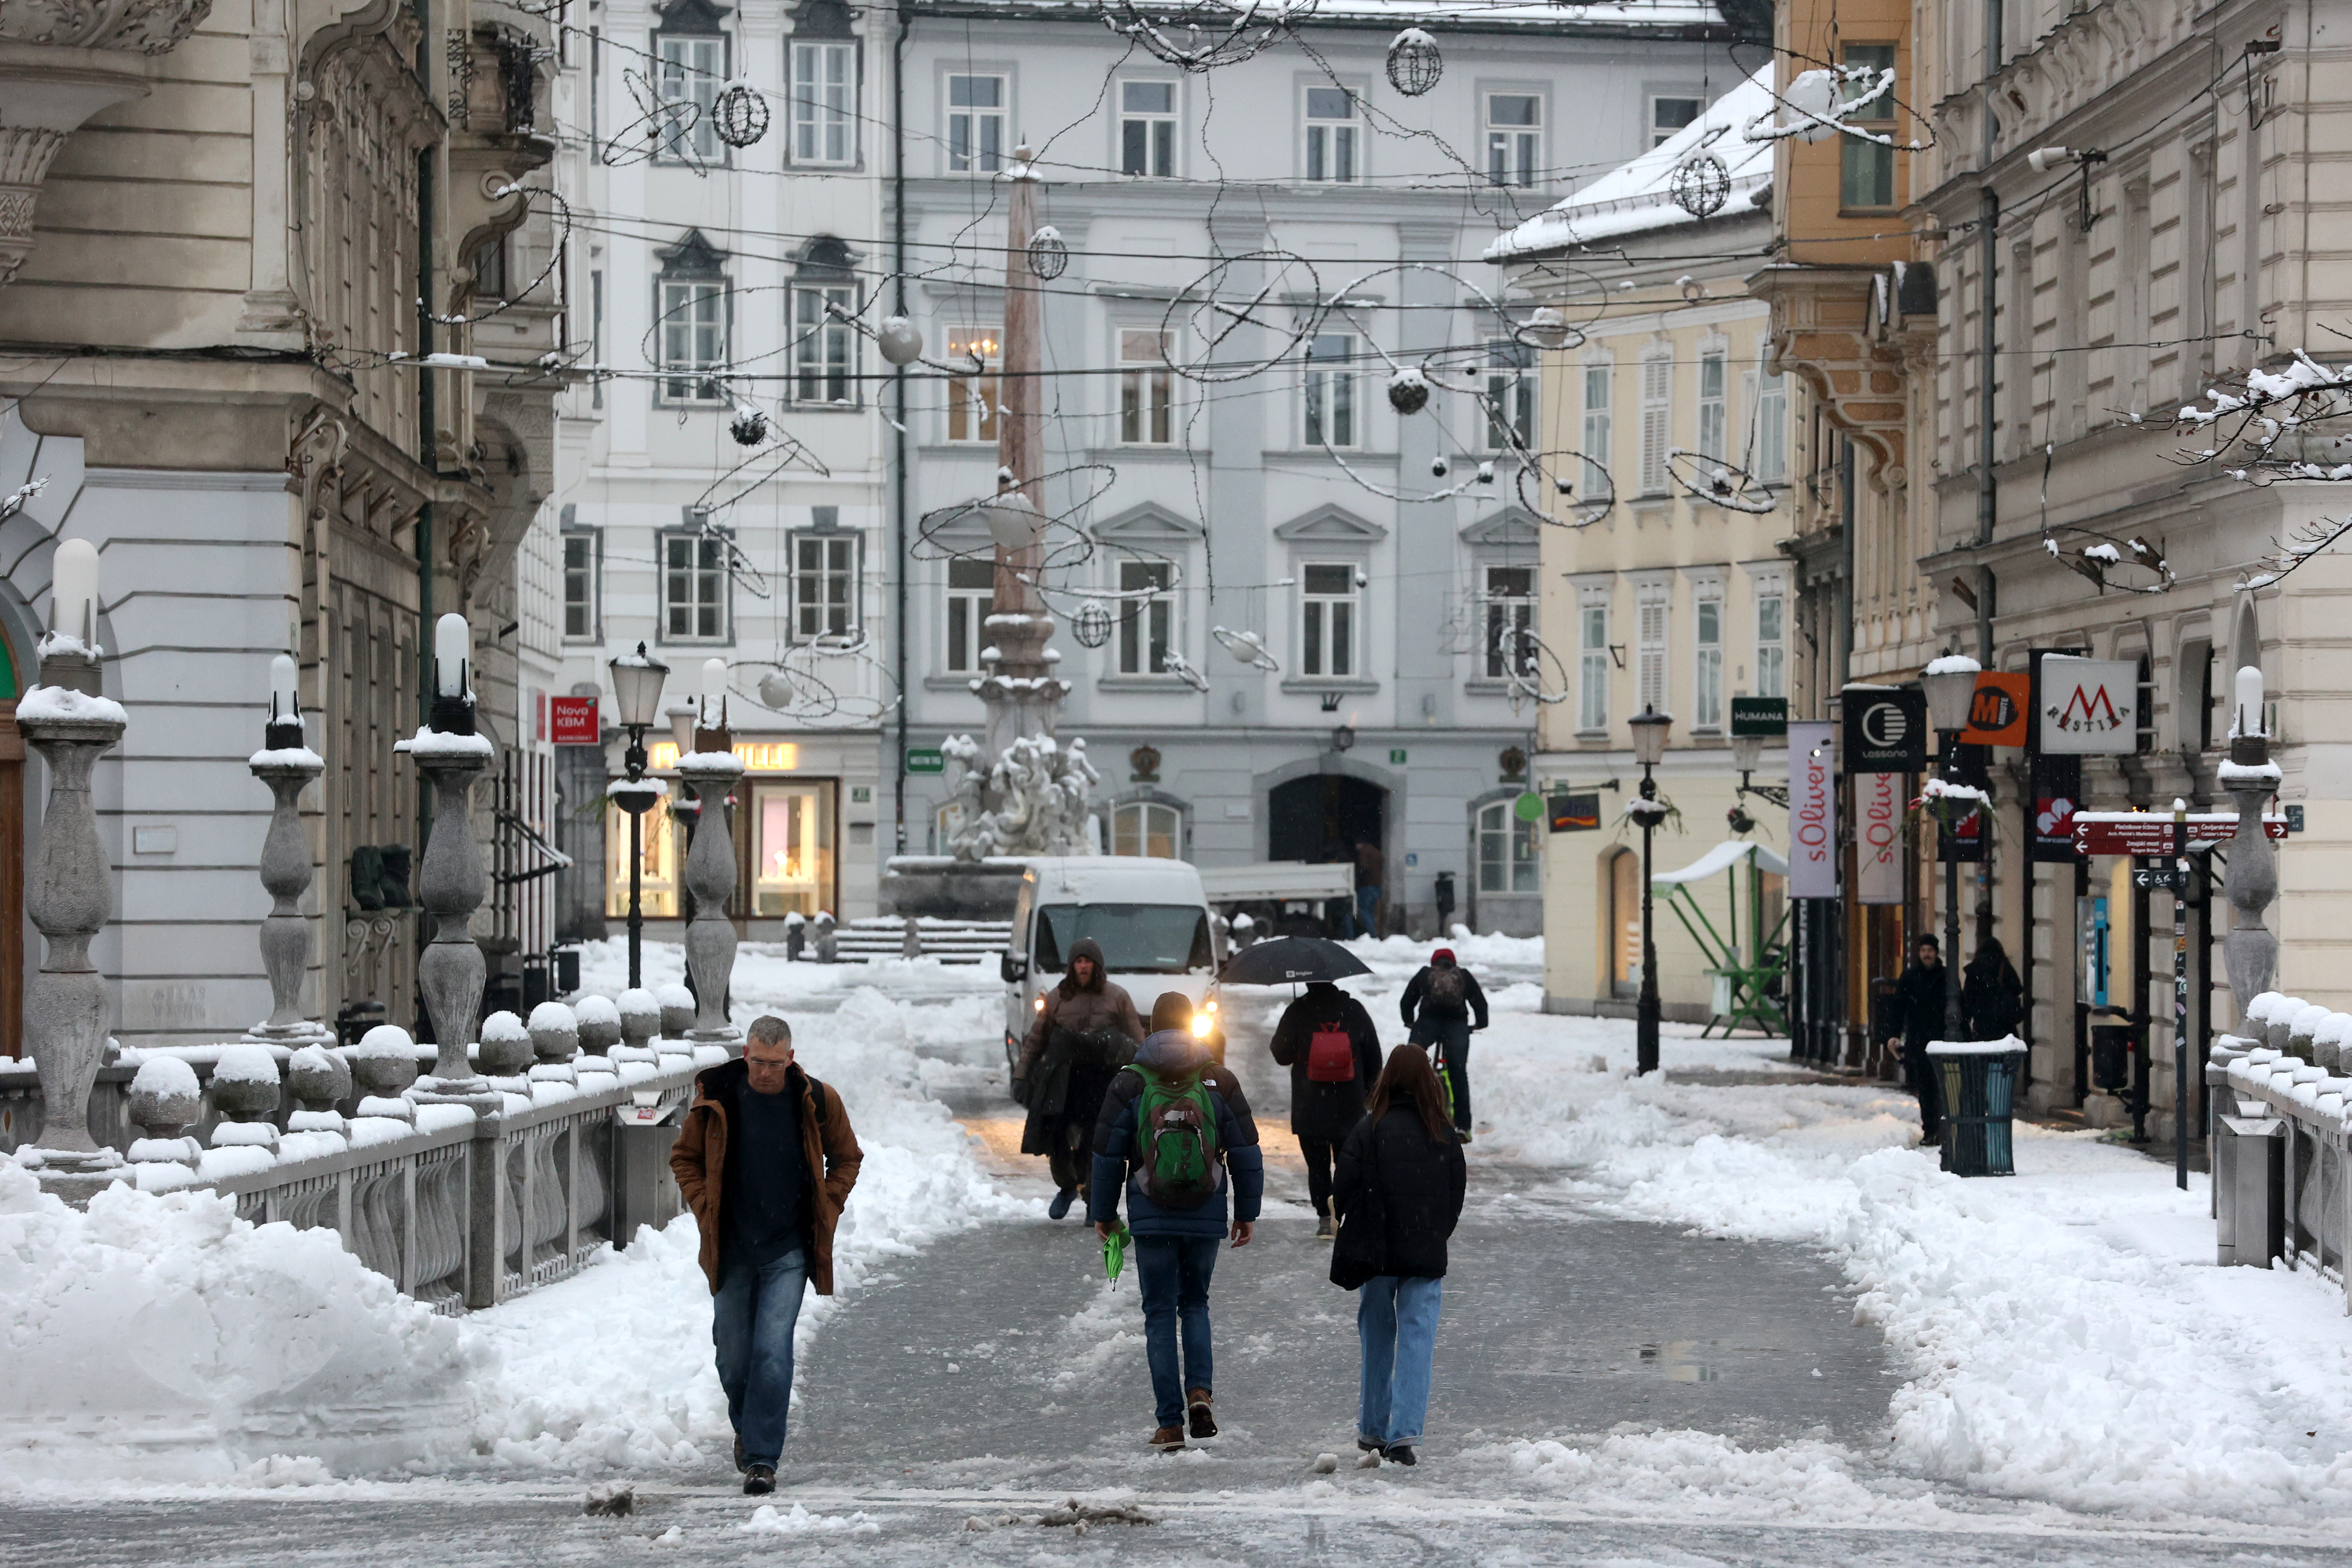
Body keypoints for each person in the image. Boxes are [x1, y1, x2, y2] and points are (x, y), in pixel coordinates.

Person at [671, 1014, 863, 1495]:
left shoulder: (817, 1100)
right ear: (745, 1055)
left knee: (772, 1352)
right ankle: (748, 1429)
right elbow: (684, 1158)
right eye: (758, 1062)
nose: (765, 1073)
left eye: (775, 1064)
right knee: (733, 1358)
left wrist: (828, 1204)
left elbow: (848, 1157)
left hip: (788, 1249)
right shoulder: (719, 1098)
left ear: (791, 1059)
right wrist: (704, 1204)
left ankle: (762, 1458)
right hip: (732, 1248)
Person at [1090, 991, 1264, 1452]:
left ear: (1151, 1029)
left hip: (1151, 1215)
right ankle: (1200, 1393)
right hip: (1205, 1213)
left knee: (1160, 1313)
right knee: (1196, 1304)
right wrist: (1247, 1211)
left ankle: (1169, 1423)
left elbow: (1107, 1155)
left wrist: (1104, 1214)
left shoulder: (1129, 1082)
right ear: (1191, 1025)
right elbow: (1246, 1151)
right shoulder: (1217, 1079)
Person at [1329, 1041, 1466, 1468]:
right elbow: (1455, 1196)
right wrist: (1432, 1233)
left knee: (1377, 1335)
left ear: (1386, 1079)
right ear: (1429, 1083)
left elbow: (1343, 1188)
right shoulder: (1443, 1134)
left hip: (1376, 1250)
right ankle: (1403, 1435)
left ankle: (1372, 1427)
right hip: (1424, 1251)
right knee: (1417, 1339)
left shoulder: (1369, 1129)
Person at [1016, 936, 1145, 1219]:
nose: (1083, 966)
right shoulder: (1057, 998)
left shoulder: (1117, 997)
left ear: (1097, 966)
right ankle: (1067, 1186)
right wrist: (1022, 1075)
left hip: (1101, 1079)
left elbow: (1138, 1041)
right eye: (1078, 961)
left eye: (1088, 961)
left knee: (1096, 1139)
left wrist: (1141, 1069)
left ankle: (1092, 1200)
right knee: (1055, 1134)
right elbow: (1037, 1041)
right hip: (1063, 1080)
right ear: (1072, 966)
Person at [1267, 979, 1383, 1238]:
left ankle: (1323, 1217)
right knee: (1348, 1164)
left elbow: (1280, 1053)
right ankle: (1344, 1214)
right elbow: (1375, 1056)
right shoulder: (1354, 1010)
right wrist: (1366, 1094)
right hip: (1349, 1106)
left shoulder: (1298, 1011)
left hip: (1311, 1106)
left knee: (1317, 1166)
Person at [1399, 947, 1489, 1141]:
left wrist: (1409, 1020)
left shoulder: (1425, 974)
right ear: (1453, 963)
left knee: (1411, 1063)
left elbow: (1407, 1000)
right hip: (1456, 1025)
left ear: (1434, 963)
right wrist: (1480, 1024)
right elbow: (1480, 1003)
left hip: (1428, 1024)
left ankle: (1406, 1115)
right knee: (1458, 1072)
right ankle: (1463, 1127)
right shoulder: (1463, 976)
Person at [1892, 935, 1948, 1143]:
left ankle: (1941, 1129)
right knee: (1925, 1088)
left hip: (1942, 1040)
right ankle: (1930, 1129)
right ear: (1919, 953)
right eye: (1924, 950)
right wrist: (1894, 1034)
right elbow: (1898, 1007)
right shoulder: (1909, 977)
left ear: (1936, 953)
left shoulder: (1946, 976)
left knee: (1942, 1087)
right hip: (1919, 1041)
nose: (1927, 954)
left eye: (1930, 951)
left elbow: (1957, 1006)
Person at [1961, 935, 2025, 1042]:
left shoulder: (1974, 971)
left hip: (1981, 1032)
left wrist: (1967, 1035)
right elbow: (2016, 990)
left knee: (1984, 1058)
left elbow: (1967, 1005)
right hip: (2006, 1034)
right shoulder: (2004, 967)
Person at [1353, 836, 1386, 939]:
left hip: (1367, 886)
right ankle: (1374, 933)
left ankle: (1372, 934)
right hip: (1377, 886)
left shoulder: (1364, 853)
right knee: (1372, 911)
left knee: (1364, 911)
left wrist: (1358, 879)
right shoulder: (1376, 852)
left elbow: (1364, 867)